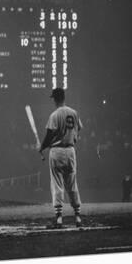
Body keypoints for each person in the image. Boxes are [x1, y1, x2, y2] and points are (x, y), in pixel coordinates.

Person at [39, 88, 83, 228]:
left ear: (55, 99)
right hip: (70, 151)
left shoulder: (55, 114)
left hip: (57, 151)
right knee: (72, 183)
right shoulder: (74, 112)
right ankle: (77, 217)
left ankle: (58, 219)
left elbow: (49, 135)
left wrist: (41, 147)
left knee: (57, 184)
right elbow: (79, 128)